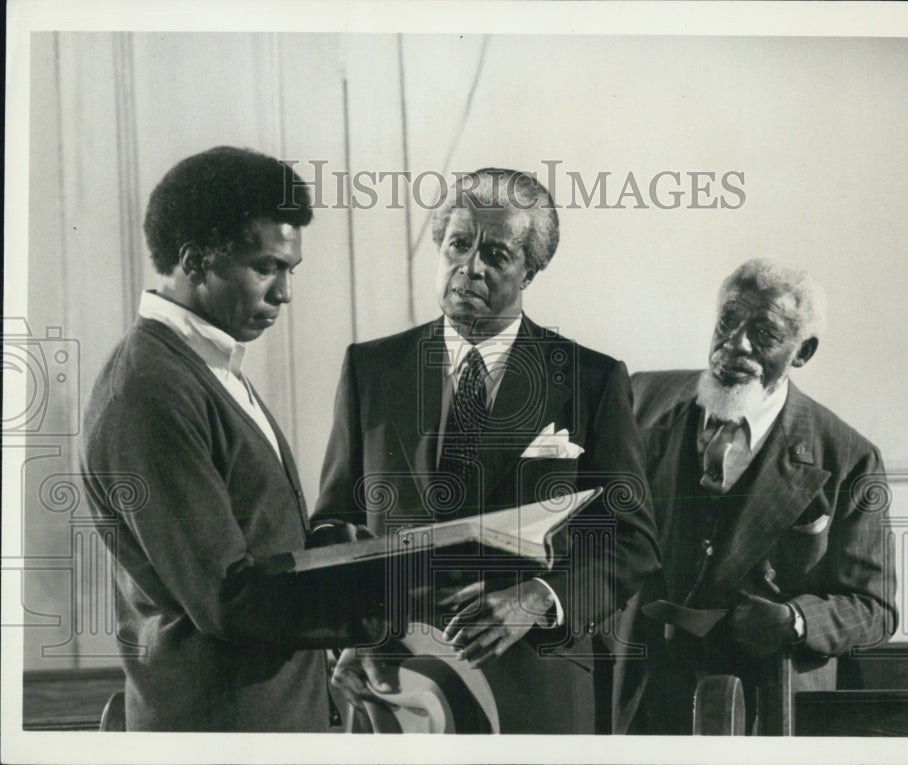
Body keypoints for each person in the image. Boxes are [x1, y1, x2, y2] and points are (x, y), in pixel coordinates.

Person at [311, 168, 660, 733]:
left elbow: (633, 540)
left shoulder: (591, 380)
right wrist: (348, 630)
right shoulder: (370, 369)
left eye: (496, 254)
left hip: (535, 680)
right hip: (394, 678)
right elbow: (334, 524)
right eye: (458, 244)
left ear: (530, 270)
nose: (470, 267)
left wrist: (538, 599)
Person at [81, 146, 381, 731]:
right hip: (222, 729)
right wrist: (380, 597)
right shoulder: (148, 390)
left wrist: (338, 548)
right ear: (195, 261)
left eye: (291, 270)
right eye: (266, 267)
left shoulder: (204, 365)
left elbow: (257, 542)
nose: (284, 292)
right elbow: (229, 599)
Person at [614, 259, 897, 735]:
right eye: (728, 320)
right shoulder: (642, 396)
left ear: (802, 352)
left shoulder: (850, 458)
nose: (736, 343)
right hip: (638, 690)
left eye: (764, 333)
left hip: (764, 701)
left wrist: (795, 620)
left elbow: (875, 609)